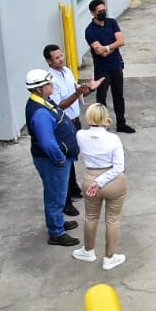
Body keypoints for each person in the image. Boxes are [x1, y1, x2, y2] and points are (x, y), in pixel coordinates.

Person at [44, 44, 102, 216]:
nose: (61, 59)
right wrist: (78, 94)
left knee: (73, 156)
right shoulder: (50, 80)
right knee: (65, 160)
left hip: (75, 120)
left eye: (61, 55)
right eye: (56, 58)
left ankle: (74, 188)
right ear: (48, 61)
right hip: (63, 124)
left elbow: (76, 90)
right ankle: (66, 201)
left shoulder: (67, 71)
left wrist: (88, 88)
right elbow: (59, 105)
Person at [24, 69, 80, 246]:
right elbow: (47, 143)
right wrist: (60, 158)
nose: (52, 85)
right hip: (52, 161)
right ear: (39, 89)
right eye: (48, 84)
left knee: (58, 194)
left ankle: (57, 222)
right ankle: (56, 232)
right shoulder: (40, 112)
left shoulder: (44, 101)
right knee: (55, 195)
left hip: (56, 159)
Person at [72, 104, 128, 271]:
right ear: (106, 120)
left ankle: (88, 251)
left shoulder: (80, 135)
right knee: (113, 220)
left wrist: (96, 182)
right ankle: (109, 257)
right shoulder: (113, 139)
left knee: (90, 217)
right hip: (114, 182)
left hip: (90, 179)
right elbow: (119, 167)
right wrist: (102, 181)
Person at [84, 0, 135, 133]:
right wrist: (112, 46)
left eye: (104, 10)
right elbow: (100, 53)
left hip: (116, 65)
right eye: (100, 11)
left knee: (119, 96)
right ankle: (101, 125)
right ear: (92, 13)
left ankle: (121, 123)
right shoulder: (90, 31)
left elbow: (121, 41)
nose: (103, 13)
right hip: (102, 69)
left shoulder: (112, 22)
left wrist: (106, 47)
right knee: (101, 99)